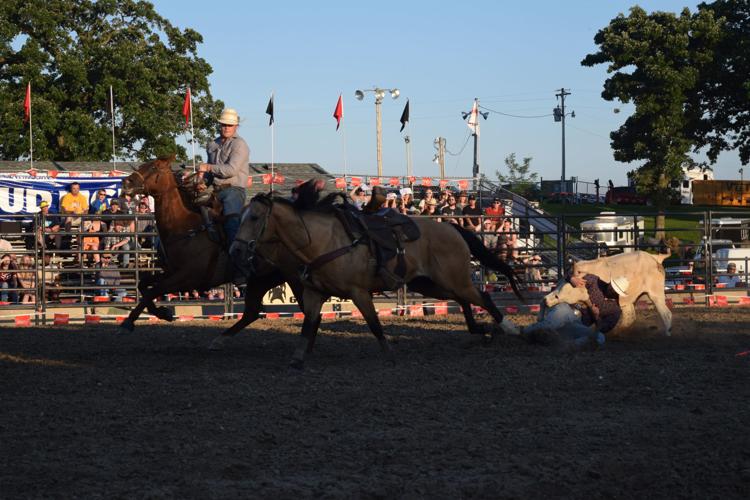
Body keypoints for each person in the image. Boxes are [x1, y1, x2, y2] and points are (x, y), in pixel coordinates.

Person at [523, 274, 630, 350]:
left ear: (618, 293)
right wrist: (572, 278)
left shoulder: (615, 310)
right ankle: (525, 332)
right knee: (559, 317)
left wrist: (597, 317)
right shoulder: (594, 280)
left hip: (577, 323)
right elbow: (566, 277)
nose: (612, 290)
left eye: (615, 290)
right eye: (612, 286)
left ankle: (567, 345)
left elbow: (601, 330)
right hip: (567, 309)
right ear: (610, 283)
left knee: (600, 337)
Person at [197, 107, 250, 246]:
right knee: (195, 212)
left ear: (236, 126)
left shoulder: (240, 144)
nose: (226, 127)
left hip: (234, 190)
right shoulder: (213, 144)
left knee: (231, 223)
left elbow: (231, 170)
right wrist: (203, 182)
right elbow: (210, 173)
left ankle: (236, 259)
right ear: (219, 125)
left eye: (229, 125)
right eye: (223, 124)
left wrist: (207, 167)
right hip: (216, 191)